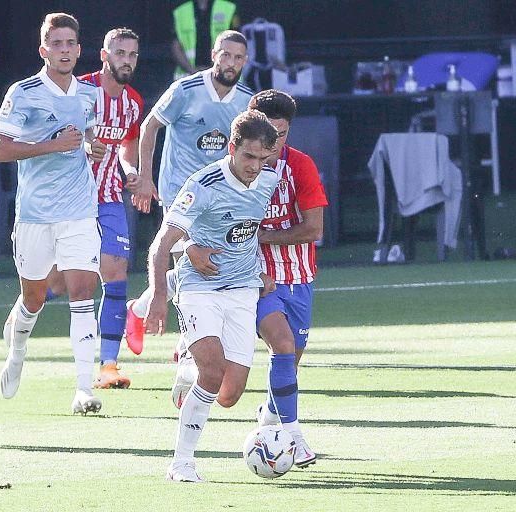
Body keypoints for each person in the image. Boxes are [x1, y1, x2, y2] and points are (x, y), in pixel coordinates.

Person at [187, 90, 328, 468]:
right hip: (252, 278)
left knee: (250, 383)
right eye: (269, 134)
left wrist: (260, 234)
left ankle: (268, 420)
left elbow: (313, 229)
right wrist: (190, 248)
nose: (274, 144)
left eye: (282, 135)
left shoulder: (299, 167)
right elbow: (198, 217)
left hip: (298, 275)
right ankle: (294, 437)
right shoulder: (233, 167)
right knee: (281, 344)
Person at [146, 110, 279, 482]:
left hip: (242, 290)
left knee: (229, 394)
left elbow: (247, 232)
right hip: (199, 288)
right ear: (232, 147)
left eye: (262, 158)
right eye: (248, 157)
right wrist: (158, 295)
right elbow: (161, 245)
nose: (254, 166)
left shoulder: (269, 179)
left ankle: (187, 366)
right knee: (213, 370)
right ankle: (182, 463)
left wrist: (258, 271)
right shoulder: (203, 184)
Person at [0, 13, 107, 414]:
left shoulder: (90, 95)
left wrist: (92, 148)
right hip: (35, 214)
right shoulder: (23, 93)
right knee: (35, 297)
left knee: (82, 293)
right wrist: (50, 145)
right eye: (55, 44)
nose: (63, 51)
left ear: (78, 49)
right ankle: (17, 350)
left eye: (69, 44)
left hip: (79, 209)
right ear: (44, 50)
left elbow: (87, 138)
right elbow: (0, 150)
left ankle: (83, 388)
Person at [125, 30, 253, 355]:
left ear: (245, 61)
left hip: (221, 198)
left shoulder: (246, 101)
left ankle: (138, 311)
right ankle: (188, 346)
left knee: (206, 267)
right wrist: (145, 176)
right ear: (214, 54)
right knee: (190, 263)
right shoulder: (186, 89)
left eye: (238, 57)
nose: (231, 62)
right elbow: (149, 126)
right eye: (226, 55)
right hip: (180, 193)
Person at [44, 27, 144, 389]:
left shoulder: (133, 102)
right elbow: (58, 133)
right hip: (70, 198)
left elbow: (128, 145)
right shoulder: (81, 90)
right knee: (62, 279)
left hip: (109, 197)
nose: (126, 60)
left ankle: (109, 366)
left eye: (132, 55)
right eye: (120, 53)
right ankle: (28, 306)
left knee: (115, 273)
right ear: (104, 55)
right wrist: (84, 146)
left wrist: (131, 171)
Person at [171, 0, 240, 80]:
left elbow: (237, 44)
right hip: (188, 77)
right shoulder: (180, 12)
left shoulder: (228, 8)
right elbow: (176, 46)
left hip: (222, 76)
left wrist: (217, 68)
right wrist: (192, 70)